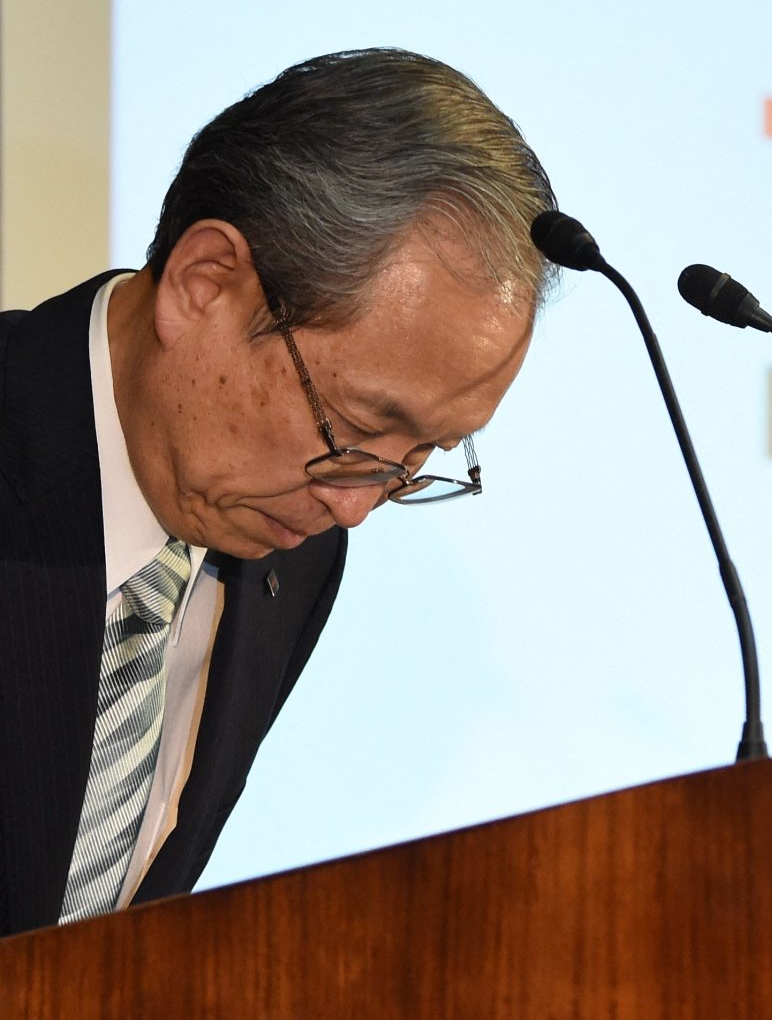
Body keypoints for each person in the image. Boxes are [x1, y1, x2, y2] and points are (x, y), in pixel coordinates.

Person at [0, 48, 558, 937]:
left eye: (420, 457)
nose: (353, 506)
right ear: (205, 282)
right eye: (355, 424)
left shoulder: (289, 557)